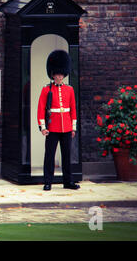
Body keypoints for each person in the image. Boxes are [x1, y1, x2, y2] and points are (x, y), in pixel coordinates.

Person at [37, 50, 80, 191]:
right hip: (52, 127)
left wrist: (73, 127)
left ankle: (68, 182)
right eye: (56, 74)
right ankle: (48, 181)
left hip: (66, 127)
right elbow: (41, 108)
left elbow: (73, 109)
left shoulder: (70, 89)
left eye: (61, 74)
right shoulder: (46, 90)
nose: (59, 77)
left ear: (64, 74)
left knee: (67, 156)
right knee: (49, 156)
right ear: (53, 74)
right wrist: (43, 127)